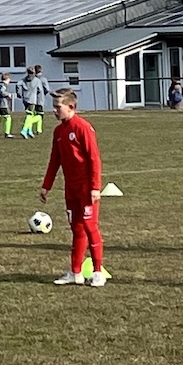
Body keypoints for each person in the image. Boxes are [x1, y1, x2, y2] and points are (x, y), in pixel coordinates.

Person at [39, 90, 106, 287]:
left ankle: (98, 272)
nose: (54, 110)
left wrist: (95, 187)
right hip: (71, 189)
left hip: (86, 188)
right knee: (76, 229)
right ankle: (76, 272)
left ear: (71, 107)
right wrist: (46, 186)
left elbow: (94, 159)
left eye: (57, 107)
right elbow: (55, 160)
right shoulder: (58, 132)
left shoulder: (83, 127)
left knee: (90, 227)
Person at [18, 67, 41, 139]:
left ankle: (29, 131)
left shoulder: (23, 79)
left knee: (30, 114)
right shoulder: (37, 80)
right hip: (32, 99)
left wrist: (19, 93)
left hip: (25, 98)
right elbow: (39, 90)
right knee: (31, 115)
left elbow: (18, 84)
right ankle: (24, 130)